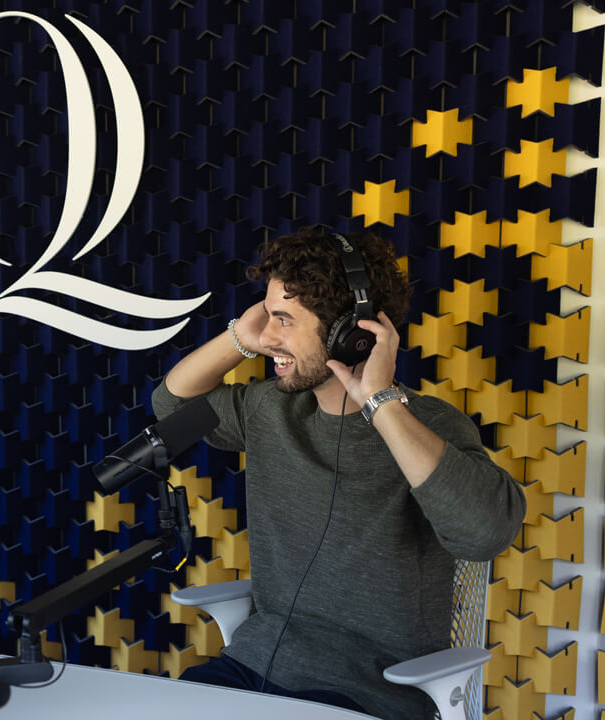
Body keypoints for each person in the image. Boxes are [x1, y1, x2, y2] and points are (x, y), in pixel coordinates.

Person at [153, 227, 525, 719]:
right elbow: (172, 405)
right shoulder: (269, 409)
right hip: (252, 666)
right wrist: (241, 337)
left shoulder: (426, 426)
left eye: (283, 320)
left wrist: (381, 402)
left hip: (365, 693)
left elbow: (484, 534)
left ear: (348, 332)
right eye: (268, 316)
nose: (269, 337)